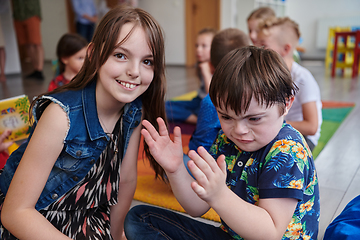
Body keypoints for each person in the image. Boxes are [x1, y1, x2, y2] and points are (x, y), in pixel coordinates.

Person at [0, 5, 167, 239]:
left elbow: (127, 180)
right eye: (120, 55)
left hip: (85, 216)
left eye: (147, 61)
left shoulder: (134, 112)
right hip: (34, 219)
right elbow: (15, 213)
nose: (135, 72)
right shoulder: (61, 116)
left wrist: (115, 234)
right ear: (94, 54)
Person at [124, 46, 320, 240]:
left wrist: (220, 195)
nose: (239, 130)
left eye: (254, 119)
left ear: (286, 104)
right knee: (141, 218)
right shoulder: (226, 141)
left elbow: (270, 233)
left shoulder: (288, 151)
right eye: (226, 117)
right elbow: (197, 207)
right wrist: (176, 170)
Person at [184, 28, 251, 174]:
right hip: (247, 168)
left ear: (212, 65)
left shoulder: (211, 101)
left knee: (172, 163)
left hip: (215, 169)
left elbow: (201, 147)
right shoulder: (256, 94)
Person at [258, 17, 322, 151]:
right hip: (277, 126)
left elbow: (312, 127)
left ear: (286, 49)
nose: (258, 50)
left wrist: (273, 123)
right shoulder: (267, 73)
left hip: (303, 137)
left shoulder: (303, 78)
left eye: (263, 46)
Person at [166, 27, 217, 124]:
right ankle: (198, 118)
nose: (198, 50)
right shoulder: (200, 64)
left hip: (209, 104)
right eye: (197, 45)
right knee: (165, 106)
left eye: (204, 46)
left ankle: (199, 119)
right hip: (198, 100)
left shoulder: (215, 68)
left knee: (208, 112)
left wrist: (206, 73)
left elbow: (211, 97)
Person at [12, 0, 44, 80]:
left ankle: (40, 70)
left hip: (31, 13)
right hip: (18, 15)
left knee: (36, 43)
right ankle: (36, 69)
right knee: (26, 44)